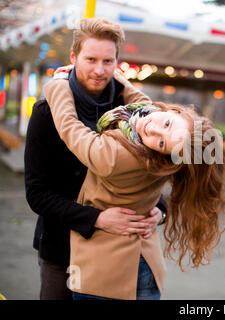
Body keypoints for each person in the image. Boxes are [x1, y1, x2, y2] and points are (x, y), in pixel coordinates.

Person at [43, 72, 225, 300]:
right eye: (167, 123)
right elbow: (145, 105)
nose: (152, 129)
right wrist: (116, 75)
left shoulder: (113, 156)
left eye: (161, 142)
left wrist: (58, 84)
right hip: (148, 267)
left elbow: (69, 127)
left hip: (106, 277)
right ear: (174, 111)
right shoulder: (165, 157)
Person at [24, 18, 167, 300]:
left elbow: (156, 170)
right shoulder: (46, 112)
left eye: (107, 61)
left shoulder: (131, 112)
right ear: (73, 57)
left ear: (117, 62)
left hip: (118, 252)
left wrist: (160, 210)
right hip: (61, 249)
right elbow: (37, 194)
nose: (99, 70)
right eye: (90, 59)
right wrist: (97, 218)